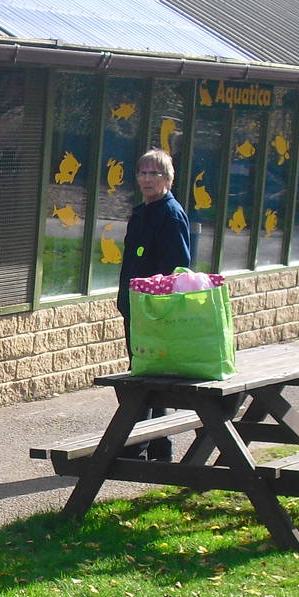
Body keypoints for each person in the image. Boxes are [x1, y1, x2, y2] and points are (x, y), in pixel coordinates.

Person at [116, 149, 194, 460]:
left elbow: (178, 266)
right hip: (135, 307)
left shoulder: (170, 214)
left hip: (155, 310)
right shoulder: (141, 213)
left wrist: (156, 304)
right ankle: (160, 447)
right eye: (143, 173)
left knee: (144, 376)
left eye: (155, 174)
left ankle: (136, 449)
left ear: (168, 179)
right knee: (149, 375)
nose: (147, 180)